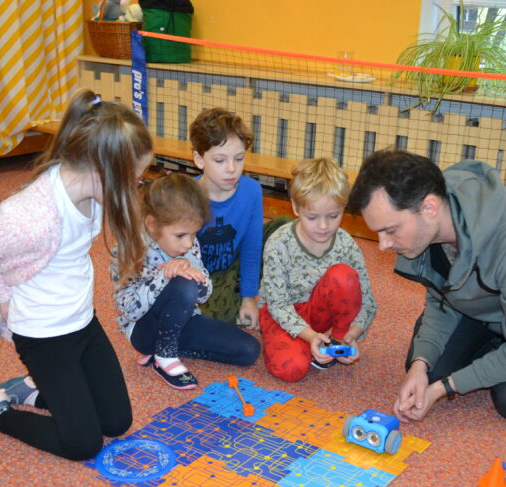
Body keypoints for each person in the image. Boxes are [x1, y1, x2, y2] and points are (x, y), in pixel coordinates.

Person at [0, 92, 152, 461]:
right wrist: (1, 297)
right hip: (43, 335)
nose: (137, 186)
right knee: (82, 444)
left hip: (82, 323)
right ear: (101, 170)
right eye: (134, 179)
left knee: (116, 422)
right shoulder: (34, 219)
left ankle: (34, 390)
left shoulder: (87, 188)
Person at [348, 150, 506, 423]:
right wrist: (419, 365)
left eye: (390, 230)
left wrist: (443, 389)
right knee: (425, 369)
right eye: (378, 233)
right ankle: (492, 344)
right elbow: (442, 300)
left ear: (429, 208)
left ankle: (501, 344)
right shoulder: (427, 225)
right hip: (480, 301)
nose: (383, 245)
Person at [110, 173, 261, 389]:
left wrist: (195, 273)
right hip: (143, 330)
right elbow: (129, 311)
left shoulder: (189, 243)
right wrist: (163, 276)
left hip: (183, 322)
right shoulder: (128, 249)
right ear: (152, 224)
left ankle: (163, 349)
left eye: (194, 234)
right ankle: (165, 355)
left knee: (248, 351)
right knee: (184, 283)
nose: (188, 244)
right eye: (180, 236)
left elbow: (204, 295)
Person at [260, 158, 377, 383]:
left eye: (333, 216)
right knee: (291, 368)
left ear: (343, 208)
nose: (323, 226)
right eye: (312, 217)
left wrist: (351, 335)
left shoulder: (346, 244)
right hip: (282, 313)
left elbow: (367, 300)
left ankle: (336, 343)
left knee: (344, 276)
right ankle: (311, 344)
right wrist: (310, 335)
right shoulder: (279, 243)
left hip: (319, 312)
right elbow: (277, 305)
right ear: (296, 207)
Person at [189, 107, 263, 330]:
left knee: (283, 228)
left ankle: (247, 291)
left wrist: (249, 299)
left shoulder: (252, 191)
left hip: (235, 260)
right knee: (213, 319)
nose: (232, 169)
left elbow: (252, 247)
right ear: (199, 159)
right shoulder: (187, 196)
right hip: (203, 274)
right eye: (220, 160)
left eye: (239, 159)